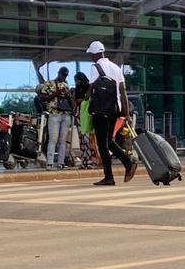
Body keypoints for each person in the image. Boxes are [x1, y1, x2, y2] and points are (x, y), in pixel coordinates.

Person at [86, 40, 137, 185]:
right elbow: (123, 92)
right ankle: (127, 162)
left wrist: (84, 99)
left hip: (100, 110)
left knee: (102, 144)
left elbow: (90, 89)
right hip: (114, 110)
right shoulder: (116, 68)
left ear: (95, 54)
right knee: (108, 140)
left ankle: (109, 177)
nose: (92, 58)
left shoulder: (95, 67)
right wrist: (126, 114)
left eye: (92, 55)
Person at [38, 66, 75, 168]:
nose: (64, 77)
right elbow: (42, 98)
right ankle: (50, 162)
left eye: (66, 76)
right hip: (54, 114)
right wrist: (56, 94)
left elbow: (72, 104)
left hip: (65, 115)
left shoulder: (66, 86)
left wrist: (69, 96)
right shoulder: (49, 83)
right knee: (53, 138)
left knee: (62, 140)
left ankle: (61, 162)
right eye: (63, 75)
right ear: (58, 73)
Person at [73, 71, 97, 169]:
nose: (76, 82)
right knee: (82, 138)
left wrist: (82, 100)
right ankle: (85, 159)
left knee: (87, 138)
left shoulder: (88, 88)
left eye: (77, 80)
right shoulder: (77, 89)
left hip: (86, 113)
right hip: (80, 114)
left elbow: (87, 99)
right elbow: (75, 100)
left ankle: (89, 159)